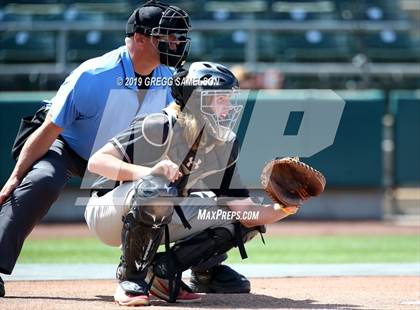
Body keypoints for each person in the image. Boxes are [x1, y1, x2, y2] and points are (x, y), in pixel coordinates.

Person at [0, 0, 191, 297]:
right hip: (69, 147)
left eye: (177, 36)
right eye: (165, 36)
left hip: (120, 154)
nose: (175, 43)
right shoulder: (94, 74)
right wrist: (15, 177)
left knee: (181, 181)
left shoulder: (168, 76)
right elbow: (49, 130)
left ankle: (190, 269)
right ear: (139, 39)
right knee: (42, 181)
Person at [85, 62, 302, 306]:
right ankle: (131, 279)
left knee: (242, 223)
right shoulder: (159, 126)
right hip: (107, 210)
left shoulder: (221, 143)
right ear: (197, 100)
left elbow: (248, 213)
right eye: (221, 98)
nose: (228, 106)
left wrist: (285, 206)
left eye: (229, 98)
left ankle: (162, 272)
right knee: (157, 188)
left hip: (159, 206)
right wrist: (147, 172)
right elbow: (97, 162)